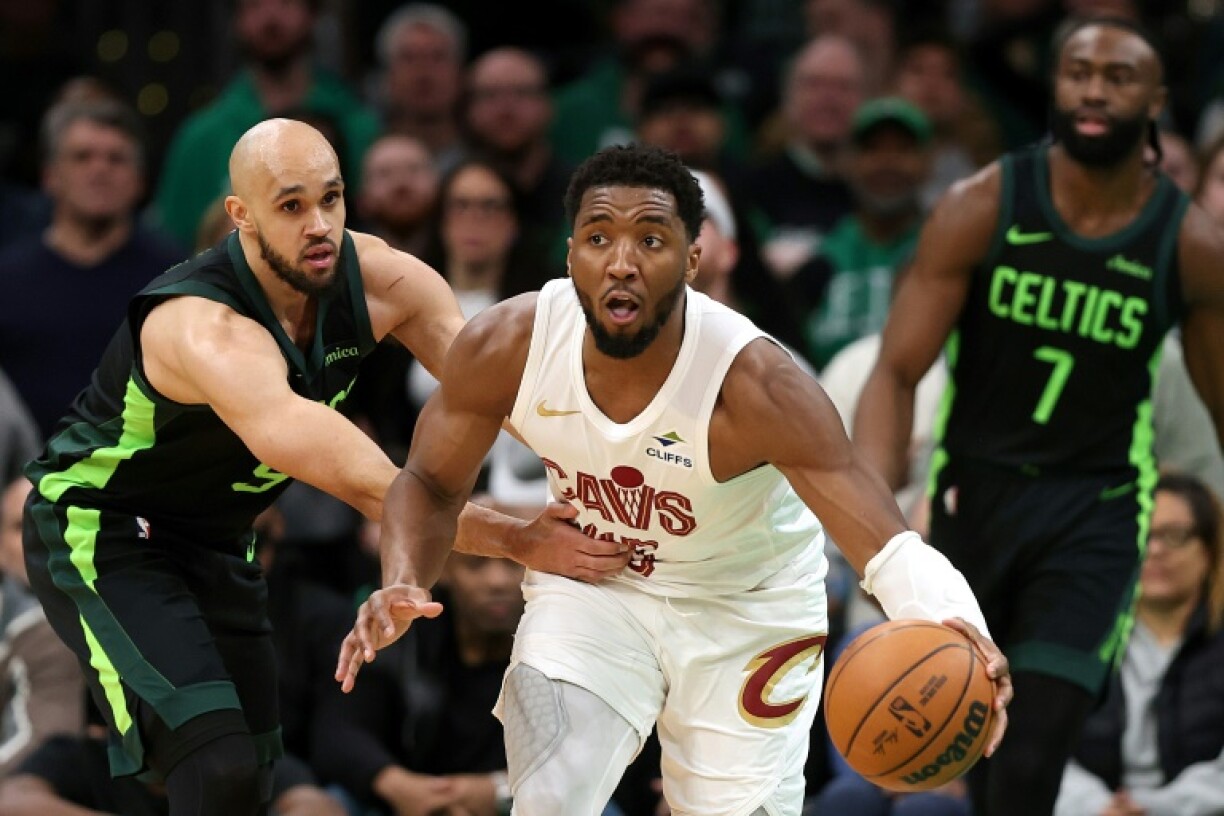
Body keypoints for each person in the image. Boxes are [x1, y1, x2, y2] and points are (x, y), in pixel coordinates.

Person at [336, 144, 1012, 815]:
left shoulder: (758, 385)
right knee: (550, 793)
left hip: (748, 605)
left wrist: (959, 628)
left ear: (692, 259)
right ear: (571, 254)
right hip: (601, 582)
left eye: (651, 240)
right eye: (599, 238)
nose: (622, 263)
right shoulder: (509, 343)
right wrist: (402, 578)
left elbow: (884, 542)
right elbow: (428, 480)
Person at [21, 118, 628, 816]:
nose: (319, 225)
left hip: (215, 537)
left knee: (249, 776)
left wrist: (622, 465)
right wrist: (519, 539)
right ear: (241, 217)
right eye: (290, 206)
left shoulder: (384, 280)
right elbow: (379, 487)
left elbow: (505, 395)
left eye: (331, 198)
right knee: (211, 763)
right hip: (102, 530)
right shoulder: (205, 328)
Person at [853, 17, 1224, 816]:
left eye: (1118, 76)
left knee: (1032, 752)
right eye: (1078, 70)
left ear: (1157, 99)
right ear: (1055, 85)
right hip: (972, 497)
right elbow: (895, 368)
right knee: (965, 734)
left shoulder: (1188, 242)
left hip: (1093, 511)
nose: (1094, 87)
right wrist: (881, 527)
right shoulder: (982, 204)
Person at [0, 97, 183, 438]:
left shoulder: (175, 281)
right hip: (21, 479)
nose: (100, 169)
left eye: (116, 158)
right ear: (50, 176)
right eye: (82, 157)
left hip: (144, 478)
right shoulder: (7, 282)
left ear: (140, 181)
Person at [1053, 471, 1224, 816]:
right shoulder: (1083, 639)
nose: (1156, 549)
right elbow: (1042, 745)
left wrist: (1152, 809)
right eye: (1144, 534)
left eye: (1174, 535)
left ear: (1208, 550)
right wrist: (1096, 807)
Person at [0, 478, 85, 777]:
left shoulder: (53, 634)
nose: (34, 538)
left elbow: (38, 746)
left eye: (51, 522)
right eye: (20, 526)